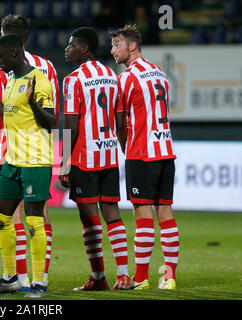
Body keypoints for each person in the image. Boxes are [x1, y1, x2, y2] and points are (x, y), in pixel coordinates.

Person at [0, 13, 59, 291]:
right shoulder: (11, 79)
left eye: (0, 56)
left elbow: (51, 121)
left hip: (35, 159)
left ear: (15, 52)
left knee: (33, 220)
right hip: (12, 159)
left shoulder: (39, 79)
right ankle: (10, 279)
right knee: (1, 216)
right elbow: (10, 113)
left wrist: (33, 102)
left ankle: (39, 281)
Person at [59, 27, 131, 291]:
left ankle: (99, 276)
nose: (67, 48)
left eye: (72, 44)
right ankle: (123, 276)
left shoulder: (73, 80)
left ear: (85, 48)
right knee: (112, 214)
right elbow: (121, 120)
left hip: (84, 157)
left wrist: (64, 161)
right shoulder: (113, 76)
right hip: (109, 153)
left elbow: (71, 125)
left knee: (89, 218)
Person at [110, 24, 179, 290]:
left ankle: (140, 278)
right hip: (166, 151)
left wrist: (126, 147)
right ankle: (170, 276)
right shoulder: (160, 73)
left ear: (133, 46)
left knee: (142, 214)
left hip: (142, 152)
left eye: (117, 44)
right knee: (166, 212)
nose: (113, 50)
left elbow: (121, 121)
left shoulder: (127, 78)